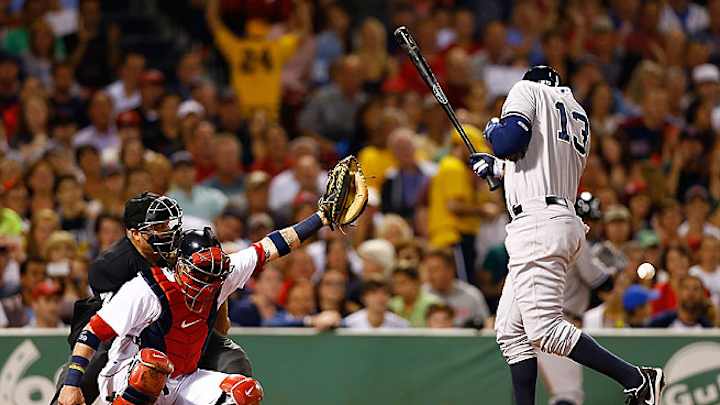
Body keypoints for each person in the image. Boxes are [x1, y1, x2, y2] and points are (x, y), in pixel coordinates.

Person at [469, 66, 664, 405]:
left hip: (538, 225)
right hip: (556, 217)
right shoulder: (575, 111)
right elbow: (531, 162)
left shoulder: (526, 90)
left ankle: (638, 379)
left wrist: (491, 130)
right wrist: (498, 169)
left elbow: (508, 141)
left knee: (543, 329)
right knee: (511, 332)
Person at [58, 183, 343, 404]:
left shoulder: (223, 272)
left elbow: (273, 246)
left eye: (213, 275)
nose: (207, 283)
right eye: (200, 274)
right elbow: (93, 332)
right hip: (127, 373)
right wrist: (72, 383)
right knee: (150, 369)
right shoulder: (145, 288)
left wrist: (321, 218)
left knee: (244, 393)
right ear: (179, 265)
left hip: (184, 375)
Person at [50, 193, 252, 405]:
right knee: (92, 372)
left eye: (168, 224)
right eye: (159, 227)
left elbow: (213, 283)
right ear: (135, 234)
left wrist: (217, 325)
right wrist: (72, 382)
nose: (169, 232)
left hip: (184, 323)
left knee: (234, 361)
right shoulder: (111, 267)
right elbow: (105, 325)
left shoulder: (185, 245)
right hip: (122, 334)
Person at [422, 248, 490, 328]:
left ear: (450, 269)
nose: (430, 275)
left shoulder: (471, 295)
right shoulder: (421, 294)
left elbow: (486, 325)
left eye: (435, 270)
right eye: (428, 270)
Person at [649, 275, 715, 329]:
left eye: (696, 289)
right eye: (686, 288)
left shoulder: (708, 328)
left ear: (702, 294)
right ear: (678, 293)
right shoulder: (658, 324)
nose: (691, 293)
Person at [343, 278, 409, 330]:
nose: (380, 298)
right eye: (374, 293)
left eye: (385, 293)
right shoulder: (349, 324)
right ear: (363, 298)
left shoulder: (401, 325)